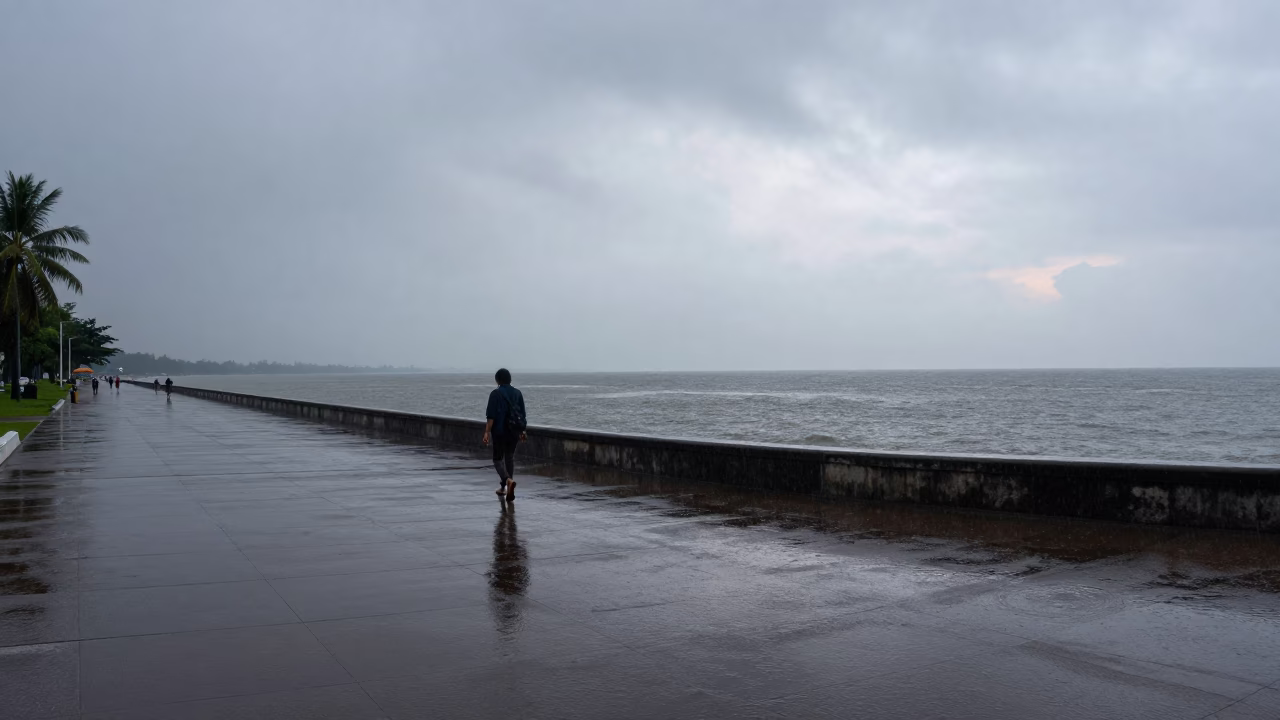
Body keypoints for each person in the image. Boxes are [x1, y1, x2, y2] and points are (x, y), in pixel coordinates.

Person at [483, 368, 527, 500]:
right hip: (514, 431)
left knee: (497, 460)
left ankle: (507, 481)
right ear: (510, 379)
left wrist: (487, 432)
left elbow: (491, 416)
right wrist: (523, 431)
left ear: (497, 380)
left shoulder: (495, 394)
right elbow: (522, 415)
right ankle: (505, 487)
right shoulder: (518, 393)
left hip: (499, 432)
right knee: (509, 458)